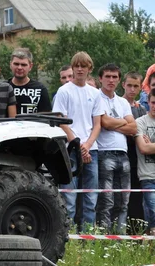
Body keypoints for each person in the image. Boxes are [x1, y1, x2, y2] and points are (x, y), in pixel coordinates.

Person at [52, 52, 104, 230]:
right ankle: (69, 237)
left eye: (83, 66)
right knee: (69, 198)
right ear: (73, 68)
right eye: (77, 66)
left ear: (90, 68)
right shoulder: (64, 91)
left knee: (91, 198)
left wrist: (87, 146)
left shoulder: (95, 93)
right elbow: (60, 121)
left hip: (92, 150)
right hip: (69, 148)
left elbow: (97, 124)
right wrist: (78, 146)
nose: (80, 69)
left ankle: (88, 238)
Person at [95, 64, 136, 233]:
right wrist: (121, 122)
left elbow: (133, 128)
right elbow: (104, 122)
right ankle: (104, 237)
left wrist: (113, 124)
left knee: (123, 200)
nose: (111, 80)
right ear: (100, 78)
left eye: (114, 77)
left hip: (123, 154)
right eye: (108, 76)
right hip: (105, 153)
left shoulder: (123, 102)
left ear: (119, 80)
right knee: (106, 200)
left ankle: (121, 237)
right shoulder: (96, 97)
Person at [122, 72, 148, 221]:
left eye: (135, 86)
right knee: (123, 196)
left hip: (139, 157)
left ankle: (137, 228)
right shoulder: (118, 103)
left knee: (138, 196)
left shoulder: (141, 109)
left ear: (139, 88)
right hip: (122, 154)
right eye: (129, 85)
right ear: (123, 85)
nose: (132, 89)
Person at [135, 89, 155, 235]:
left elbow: (148, 147)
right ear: (148, 102)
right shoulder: (140, 122)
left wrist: (151, 146)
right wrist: (147, 147)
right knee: (153, 210)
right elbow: (143, 148)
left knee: (150, 215)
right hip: (147, 174)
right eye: (153, 102)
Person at [7, 48, 51, 114]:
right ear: (10, 65)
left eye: (23, 65)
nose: (19, 68)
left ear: (30, 66)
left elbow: (46, 117)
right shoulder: (3, 88)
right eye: (16, 64)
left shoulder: (40, 89)